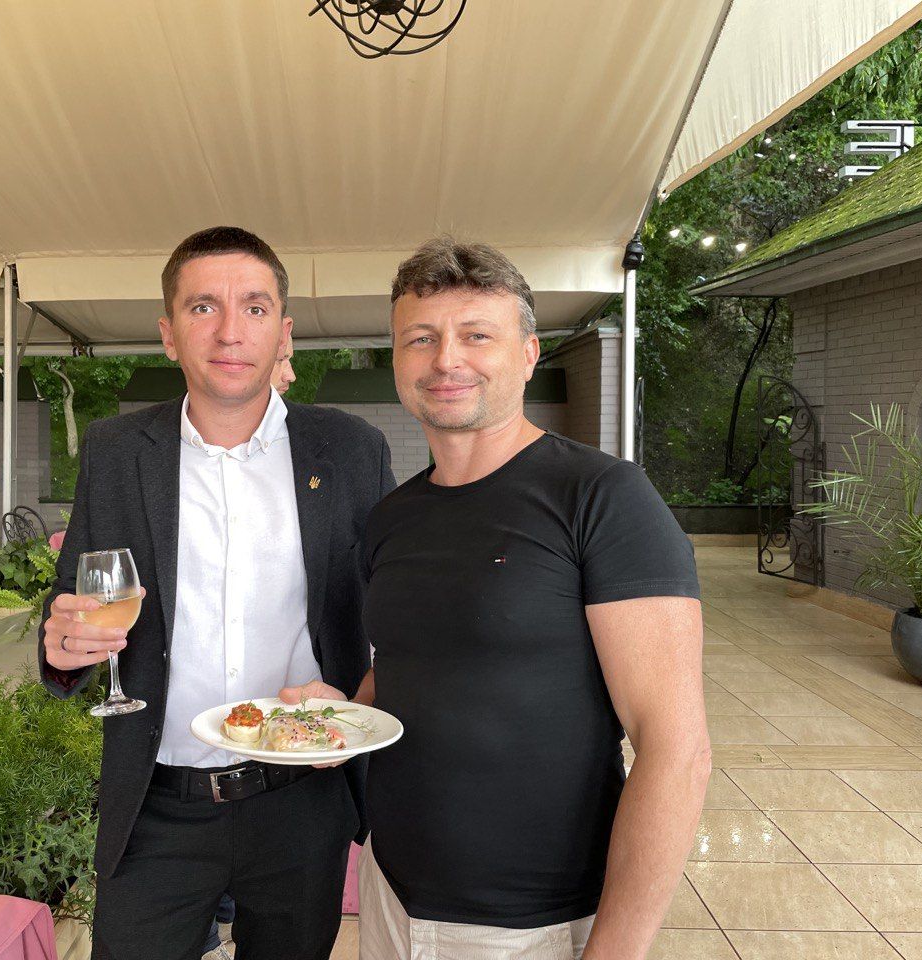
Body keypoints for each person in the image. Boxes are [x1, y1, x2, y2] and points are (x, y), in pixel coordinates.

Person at [284, 238, 710, 960]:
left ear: (529, 353)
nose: (446, 359)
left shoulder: (604, 498)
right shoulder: (392, 517)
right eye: (421, 338)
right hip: (391, 897)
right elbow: (411, 666)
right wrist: (341, 717)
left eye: (477, 335)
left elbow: (677, 750)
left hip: (530, 927)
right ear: (397, 358)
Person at [39, 226, 396, 960]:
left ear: (284, 333)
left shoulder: (351, 449)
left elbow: (398, 615)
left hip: (299, 802)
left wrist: (356, 704)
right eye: (203, 307)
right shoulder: (115, 451)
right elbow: (75, 600)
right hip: (157, 806)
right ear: (169, 334)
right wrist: (62, 649)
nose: (231, 331)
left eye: (255, 308)